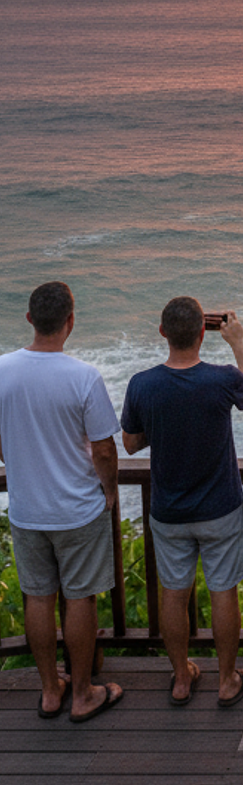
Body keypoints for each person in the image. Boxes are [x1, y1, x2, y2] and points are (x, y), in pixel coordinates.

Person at [120, 297, 243, 707]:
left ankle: (182, 677)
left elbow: (129, 444)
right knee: (223, 592)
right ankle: (227, 680)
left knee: (174, 594)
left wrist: (164, 428)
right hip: (219, 507)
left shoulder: (142, 384)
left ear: (163, 332)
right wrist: (236, 343)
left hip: (169, 510)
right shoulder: (222, 379)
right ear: (204, 332)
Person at [0, 282, 123, 722]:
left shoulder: (2, 369)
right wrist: (108, 490)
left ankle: (51, 690)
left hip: (27, 508)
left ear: (30, 319)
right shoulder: (83, 375)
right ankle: (84, 693)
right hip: (76, 508)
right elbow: (105, 449)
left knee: (38, 597)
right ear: (70, 321)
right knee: (81, 599)